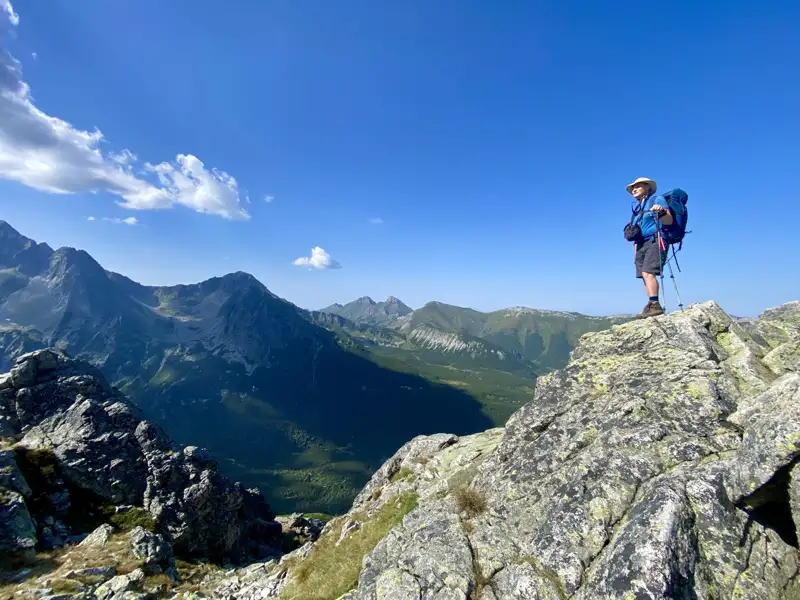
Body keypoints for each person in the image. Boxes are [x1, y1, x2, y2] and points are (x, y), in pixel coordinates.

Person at [625, 177, 673, 318]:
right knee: (644, 276)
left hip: (656, 240)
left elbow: (669, 221)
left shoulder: (656, 200)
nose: (634, 189)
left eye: (638, 186)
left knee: (648, 272)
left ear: (647, 187)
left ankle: (655, 305)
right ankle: (651, 303)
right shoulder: (638, 209)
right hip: (640, 244)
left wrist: (661, 212)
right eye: (633, 187)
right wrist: (635, 253)